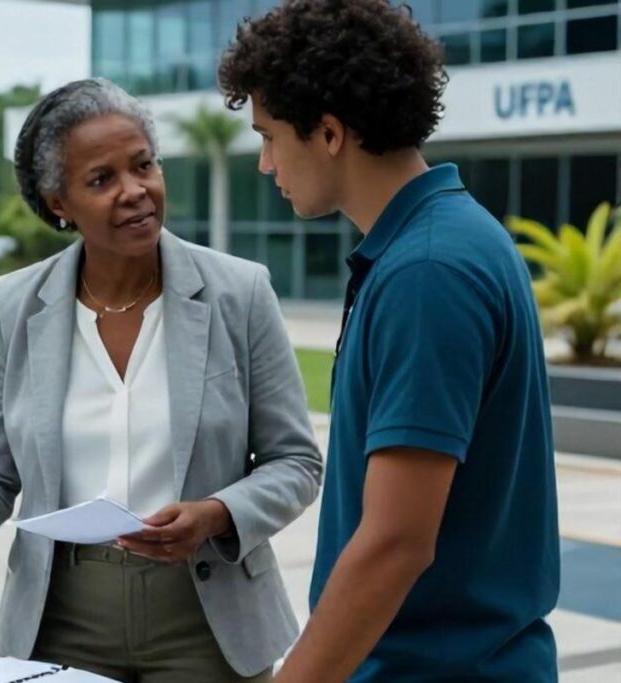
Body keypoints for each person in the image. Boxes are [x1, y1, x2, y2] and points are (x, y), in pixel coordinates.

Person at [0, 78, 323, 682]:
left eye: (144, 166)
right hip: (61, 619)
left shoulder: (239, 293)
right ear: (59, 202)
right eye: (101, 180)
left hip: (208, 619)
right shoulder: (14, 304)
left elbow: (295, 461)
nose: (135, 192)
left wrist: (217, 511)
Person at [217, 1, 560, 681]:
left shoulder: (428, 271)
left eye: (269, 136)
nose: (265, 163)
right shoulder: (445, 240)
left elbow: (396, 541)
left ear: (329, 132)